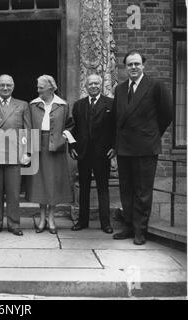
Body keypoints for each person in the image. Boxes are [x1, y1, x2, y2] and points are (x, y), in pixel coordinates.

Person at [112, 50, 172, 245]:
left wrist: (152, 134)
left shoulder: (155, 86)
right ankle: (129, 225)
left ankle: (140, 230)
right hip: (124, 148)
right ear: (125, 67)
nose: (133, 68)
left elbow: (167, 114)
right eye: (129, 65)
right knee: (126, 189)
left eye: (137, 64)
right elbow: (116, 119)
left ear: (143, 65)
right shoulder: (120, 89)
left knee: (143, 190)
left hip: (146, 147)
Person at [0, 74, 31, 236]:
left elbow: (27, 130)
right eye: (2, 85)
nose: (5, 88)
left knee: (13, 191)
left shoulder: (23, 105)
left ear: (13, 86)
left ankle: (14, 223)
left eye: (8, 85)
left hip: (15, 153)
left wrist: (27, 151)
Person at [68, 74, 115, 234]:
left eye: (96, 83)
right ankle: (82, 221)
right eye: (90, 84)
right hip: (84, 154)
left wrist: (114, 147)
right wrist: (72, 147)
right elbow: (72, 128)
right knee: (84, 188)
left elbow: (116, 128)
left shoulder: (110, 104)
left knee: (103, 188)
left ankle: (105, 223)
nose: (93, 86)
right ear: (85, 86)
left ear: (101, 85)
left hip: (103, 154)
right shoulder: (78, 105)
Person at [25, 75, 73, 234]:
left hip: (56, 148)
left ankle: (51, 218)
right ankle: (42, 217)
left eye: (40, 87)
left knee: (53, 183)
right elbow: (28, 127)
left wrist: (64, 138)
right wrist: (28, 150)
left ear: (50, 88)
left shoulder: (63, 105)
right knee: (40, 183)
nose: (38, 90)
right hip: (38, 146)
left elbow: (70, 125)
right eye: (38, 87)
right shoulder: (33, 105)